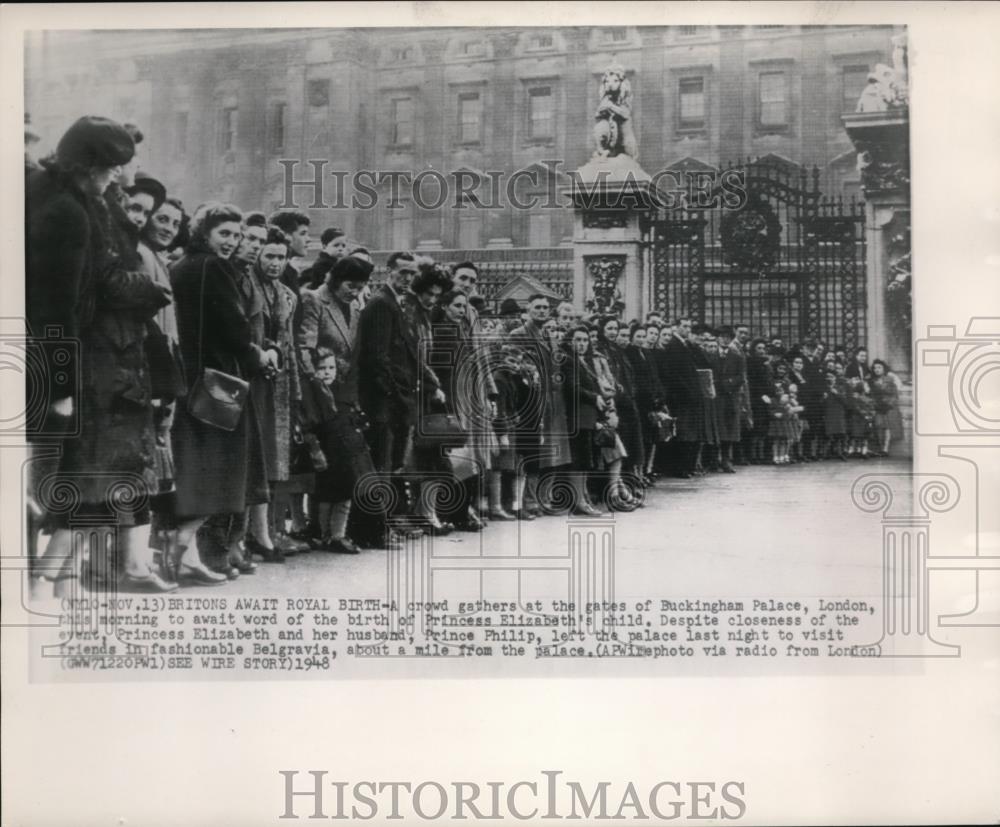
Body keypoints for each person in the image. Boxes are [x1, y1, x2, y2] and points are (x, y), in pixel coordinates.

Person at [26, 116, 174, 595]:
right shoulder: (70, 210)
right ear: (88, 165)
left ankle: (60, 579)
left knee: (85, 473)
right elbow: (58, 306)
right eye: (111, 168)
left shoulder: (57, 195)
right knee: (88, 471)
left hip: (79, 356)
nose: (117, 178)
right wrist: (61, 386)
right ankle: (49, 575)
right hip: (81, 361)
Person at [170, 202, 279, 584]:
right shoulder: (215, 267)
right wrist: (260, 354)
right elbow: (234, 331)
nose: (232, 242)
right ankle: (184, 553)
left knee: (193, 472)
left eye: (236, 234)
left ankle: (186, 555)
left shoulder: (181, 266)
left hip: (189, 379)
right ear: (205, 233)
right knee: (222, 476)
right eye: (225, 234)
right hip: (219, 384)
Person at [358, 252, 444, 543]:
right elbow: (378, 358)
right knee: (382, 465)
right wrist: (396, 394)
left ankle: (390, 522)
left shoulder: (396, 303)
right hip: (385, 401)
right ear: (389, 271)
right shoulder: (382, 304)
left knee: (393, 465)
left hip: (396, 399)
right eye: (402, 272)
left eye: (411, 273)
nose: (407, 278)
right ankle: (377, 528)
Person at [242, 226, 302, 563]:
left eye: (282, 257)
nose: (276, 263)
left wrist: (294, 393)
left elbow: (289, 345)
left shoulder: (285, 295)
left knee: (268, 460)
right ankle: (249, 534)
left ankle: (262, 532)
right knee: (251, 458)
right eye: (270, 256)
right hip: (251, 377)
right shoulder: (246, 284)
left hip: (275, 383)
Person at [299, 349, 374, 554]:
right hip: (327, 451)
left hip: (345, 451)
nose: (327, 372)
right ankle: (326, 535)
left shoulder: (341, 391)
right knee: (326, 496)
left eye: (331, 367)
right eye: (322, 368)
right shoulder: (313, 393)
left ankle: (337, 534)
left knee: (344, 495)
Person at [562, 326, 604, 516]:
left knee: (585, 460)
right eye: (578, 340)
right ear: (570, 341)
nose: (581, 344)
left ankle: (582, 497)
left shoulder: (582, 361)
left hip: (587, 416)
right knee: (579, 460)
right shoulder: (569, 361)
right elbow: (572, 388)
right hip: (577, 416)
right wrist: (594, 397)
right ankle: (578, 501)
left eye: (585, 340)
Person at [661, 318, 701, 478]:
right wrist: (688, 391)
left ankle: (687, 466)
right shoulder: (673, 346)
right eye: (684, 326)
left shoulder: (687, 345)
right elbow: (674, 374)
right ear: (676, 328)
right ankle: (680, 468)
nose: (687, 329)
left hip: (689, 395)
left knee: (689, 432)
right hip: (680, 396)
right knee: (682, 432)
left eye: (689, 327)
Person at [268, 209, 312, 294]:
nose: (308, 239)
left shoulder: (289, 270)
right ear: (285, 236)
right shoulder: (278, 272)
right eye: (303, 233)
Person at [745, 338, 773, 464]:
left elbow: (769, 381)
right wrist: (761, 394)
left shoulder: (766, 363)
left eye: (763, 348)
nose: (762, 351)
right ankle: (753, 455)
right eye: (759, 348)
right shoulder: (750, 362)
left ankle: (762, 455)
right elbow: (752, 382)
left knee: (764, 430)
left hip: (766, 400)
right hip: (756, 399)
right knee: (756, 429)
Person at [869, 359, 903, 456]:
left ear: (884, 369)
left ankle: (885, 449)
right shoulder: (872, 381)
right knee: (878, 426)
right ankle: (880, 447)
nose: (877, 370)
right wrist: (875, 404)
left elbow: (895, 395)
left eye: (879, 367)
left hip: (888, 407)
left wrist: (889, 404)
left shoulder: (890, 380)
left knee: (887, 427)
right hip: (877, 406)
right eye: (875, 368)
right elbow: (871, 395)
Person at [301, 226, 347, 290]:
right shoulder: (323, 264)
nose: (341, 249)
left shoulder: (335, 262)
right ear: (324, 246)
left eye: (343, 245)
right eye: (336, 245)